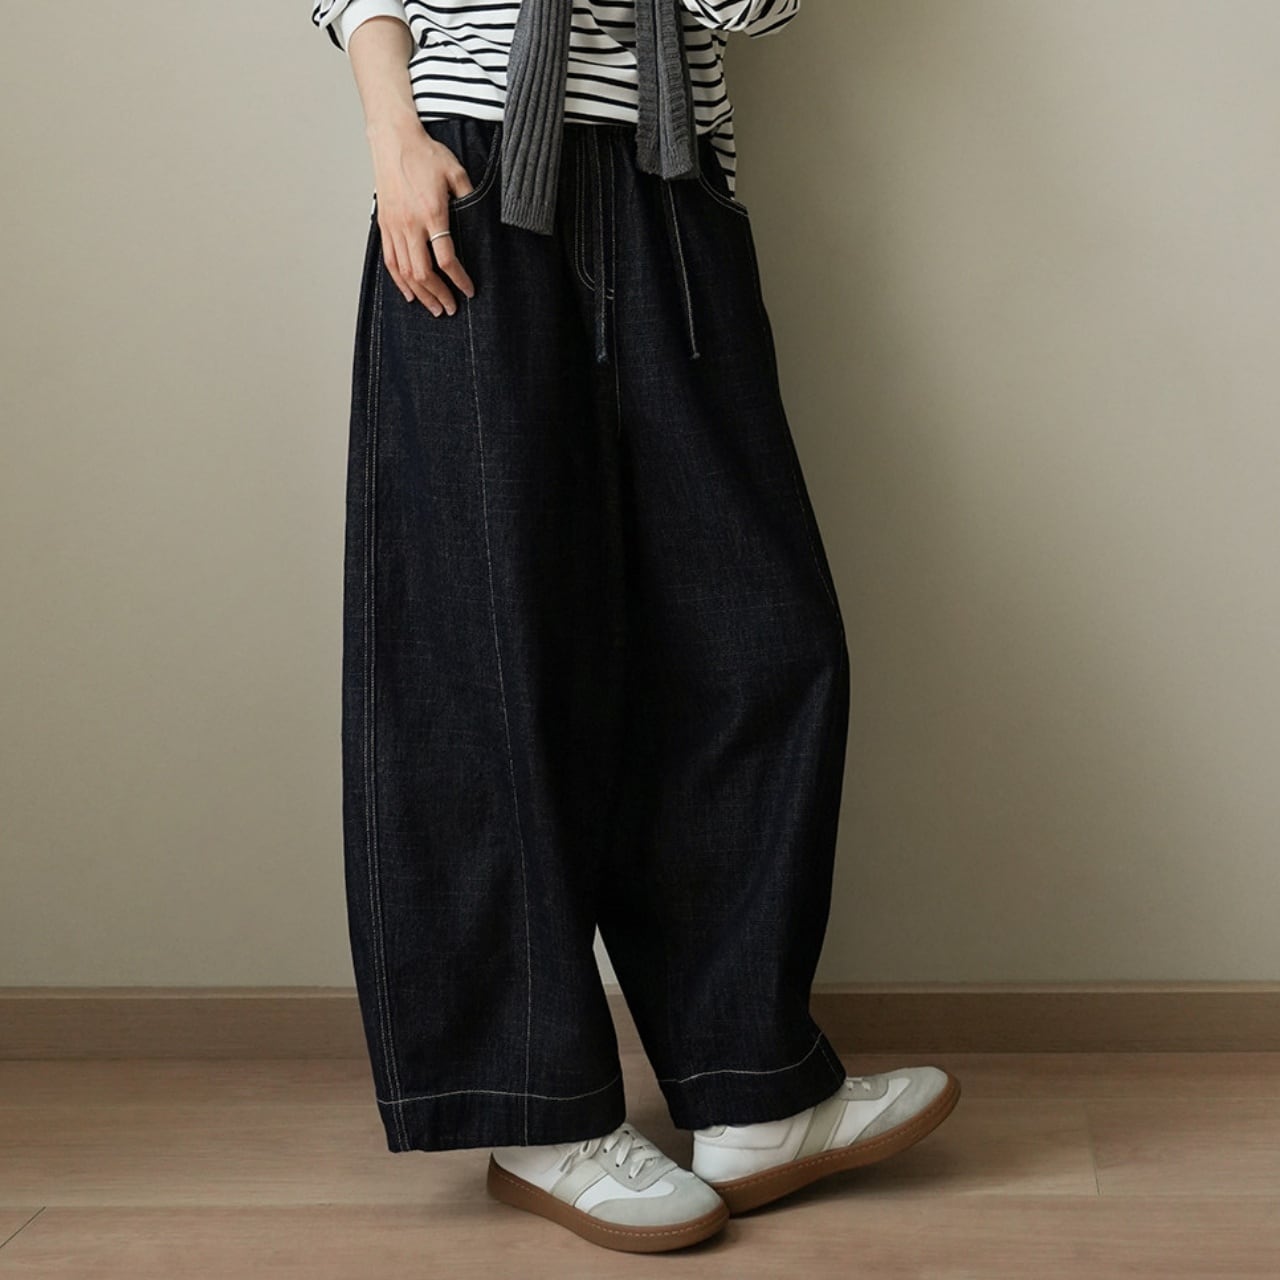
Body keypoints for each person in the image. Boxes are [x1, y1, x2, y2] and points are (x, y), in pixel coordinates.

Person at [311, 0, 960, 1254]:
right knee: (485, 647)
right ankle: (534, 1105)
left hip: (669, 181)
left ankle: (751, 1088)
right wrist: (392, 137)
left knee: (750, 637)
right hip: (468, 167)